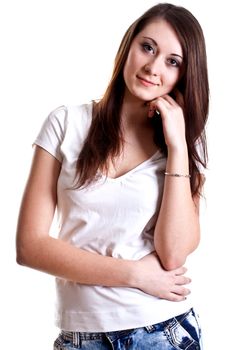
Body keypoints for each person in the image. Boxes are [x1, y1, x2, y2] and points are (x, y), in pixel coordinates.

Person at [16, 2, 209, 349]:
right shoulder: (66, 123)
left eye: (172, 61)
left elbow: (174, 254)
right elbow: (29, 246)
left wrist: (178, 146)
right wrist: (134, 275)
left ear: (184, 74)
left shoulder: (178, 148)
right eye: (147, 47)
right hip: (80, 337)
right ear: (128, 46)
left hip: (162, 332)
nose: (153, 67)